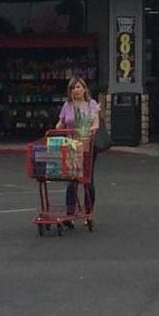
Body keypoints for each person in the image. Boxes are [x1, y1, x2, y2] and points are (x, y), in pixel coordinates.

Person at [56, 77, 100, 227]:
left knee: (87, 181)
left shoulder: (91, 104)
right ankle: (70, 215)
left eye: (79, 87)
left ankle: (89, 213)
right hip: (71, 146)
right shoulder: (67, 106)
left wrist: (87, 130)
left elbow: (96, 123)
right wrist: (59, 128)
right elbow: (60, 122)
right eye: (73, 88)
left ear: (84, 89)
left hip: (87, 146)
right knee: (72, 182)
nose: (76, 90)